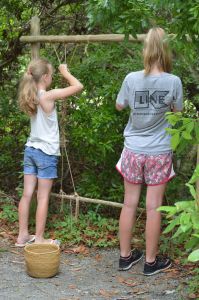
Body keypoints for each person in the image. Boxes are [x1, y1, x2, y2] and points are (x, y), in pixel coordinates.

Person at [116, 27, 183, 276]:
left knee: (129, 203)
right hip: (159, 151)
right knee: (153, 206)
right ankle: (150, 262)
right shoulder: (173, 81)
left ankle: (125, 258)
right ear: (165, 49)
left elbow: (119, 105)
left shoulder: (131, 78)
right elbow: (178, 114)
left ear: (145, 49)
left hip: (133, 149)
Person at [15, 58, 83, 246]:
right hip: (46, 153)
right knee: (42, 196)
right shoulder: (47, 95)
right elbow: (78, 86)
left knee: (27, 194)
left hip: (31, 149)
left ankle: (22, 236)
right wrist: (65, 72)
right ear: (45, 77)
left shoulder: (31, 94)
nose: (53, 77)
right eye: (51, 74)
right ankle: (40, 239)